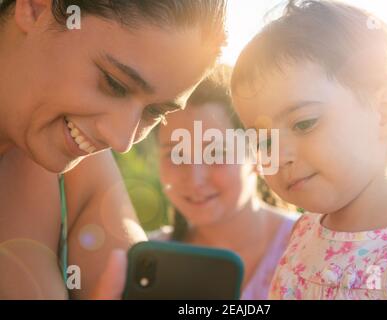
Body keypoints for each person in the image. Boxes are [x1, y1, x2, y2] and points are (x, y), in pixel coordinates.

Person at [0, 0, 227, 299]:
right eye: (114, 84)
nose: (122, 140)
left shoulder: (73, 162)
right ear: (35, 8)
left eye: (154, 112)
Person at [231, 0, 387, 299]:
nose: (278, 157)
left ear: (385, 111)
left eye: (304, 123)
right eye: (263, 141)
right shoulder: (303, 232)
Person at [152, 66, 298, 299]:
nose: (195, 178)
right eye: (175, 154)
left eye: (216, 153)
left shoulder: (310, 247)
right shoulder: (149, 261)